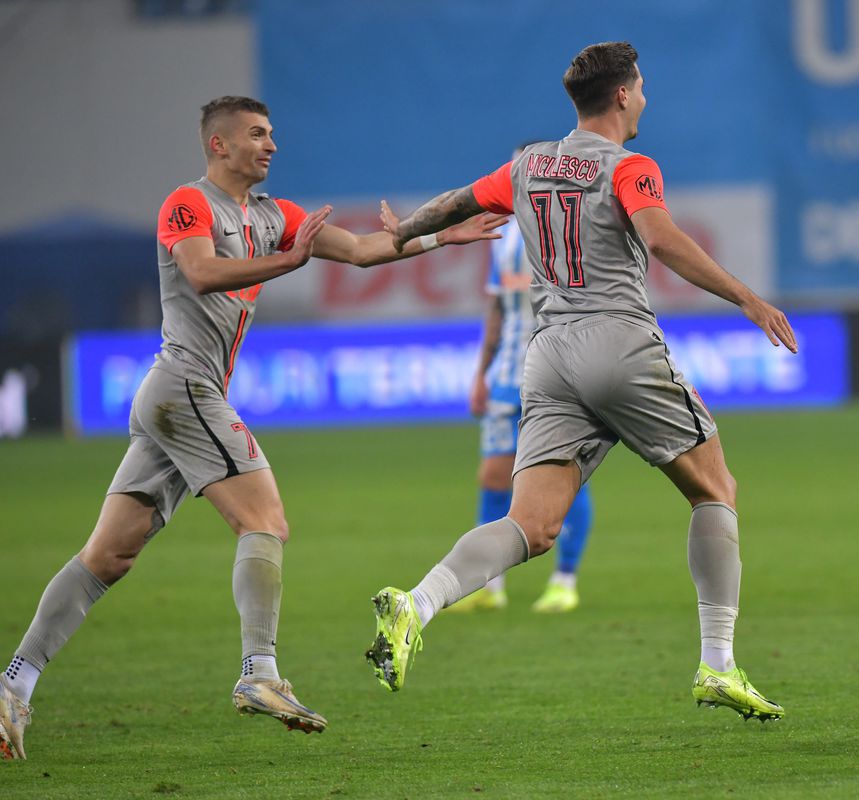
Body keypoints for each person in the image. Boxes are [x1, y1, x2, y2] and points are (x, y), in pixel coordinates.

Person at [0, 96, 504, 760]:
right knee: (264, 520)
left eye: (272, 135)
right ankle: (259, 674)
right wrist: (288, 263)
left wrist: (436, 237)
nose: (271, 145)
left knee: (108, 557)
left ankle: (14, 686)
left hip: (180, 400)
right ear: (219, 144)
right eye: (257, 135)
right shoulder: (188, 204)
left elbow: (357, 250)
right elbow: (202, 273)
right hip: (185, 387)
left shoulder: (274, 216)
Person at [365, 42, 796, 721]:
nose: (646, 98)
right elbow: (661, 240)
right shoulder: (631, 168)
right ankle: (717, 663)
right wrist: (746, 296)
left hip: (549, 354)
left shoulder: (528, 163)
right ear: (622, 95)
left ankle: (415, 604)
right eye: (642, 88)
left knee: (531, 526)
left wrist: (404, 233)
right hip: (618, 341)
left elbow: (452, 204)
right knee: (715, 489)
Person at [451, 167, 594, 615]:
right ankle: (488, 586)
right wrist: (482, 371)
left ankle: (564, 580)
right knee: (494, 475)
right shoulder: (504, 236)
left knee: (563, 479)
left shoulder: (570, 227)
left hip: (558, 373)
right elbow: (497, 307)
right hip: (508, 374)